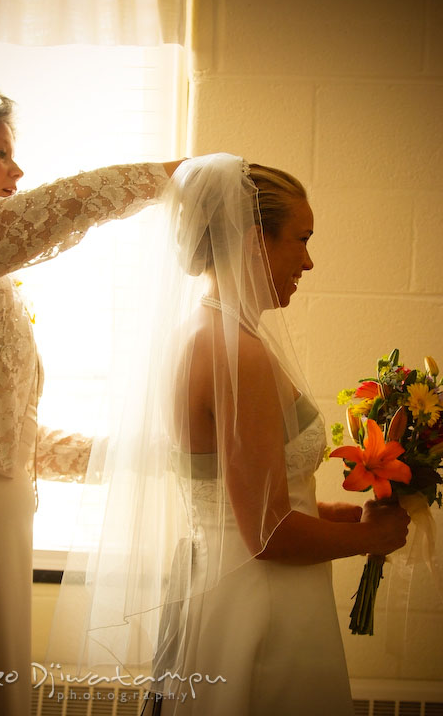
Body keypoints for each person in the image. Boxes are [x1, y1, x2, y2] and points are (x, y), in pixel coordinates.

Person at [50, 154, 410, 715]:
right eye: (301, 238)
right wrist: (374, 539)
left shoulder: (206, 334)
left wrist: (337, 515)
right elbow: (269, 537)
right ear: (252, 240)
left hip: (224, 580)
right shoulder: (235, 352)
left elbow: (234, 495)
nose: (309, 262)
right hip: (260, 602)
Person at [0, 89, 184, 716]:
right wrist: (166, 177)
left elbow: (1, 431)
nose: (17, 170)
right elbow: (60, 207)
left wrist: (128, 455)